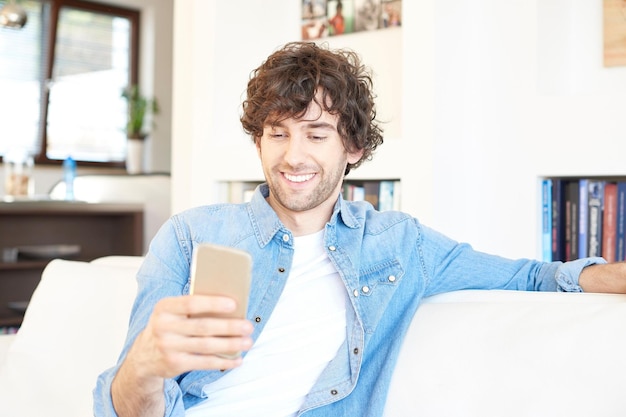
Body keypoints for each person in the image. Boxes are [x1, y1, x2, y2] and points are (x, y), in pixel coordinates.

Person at [94, 41, 626, 417]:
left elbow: (533, 277)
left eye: (316, 133)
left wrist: (612, 276)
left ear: (353, 148)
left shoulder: (399, 245)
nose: (292, 155)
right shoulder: (191, 235)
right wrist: (144, 366)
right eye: (276, 133)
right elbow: (120, 408)